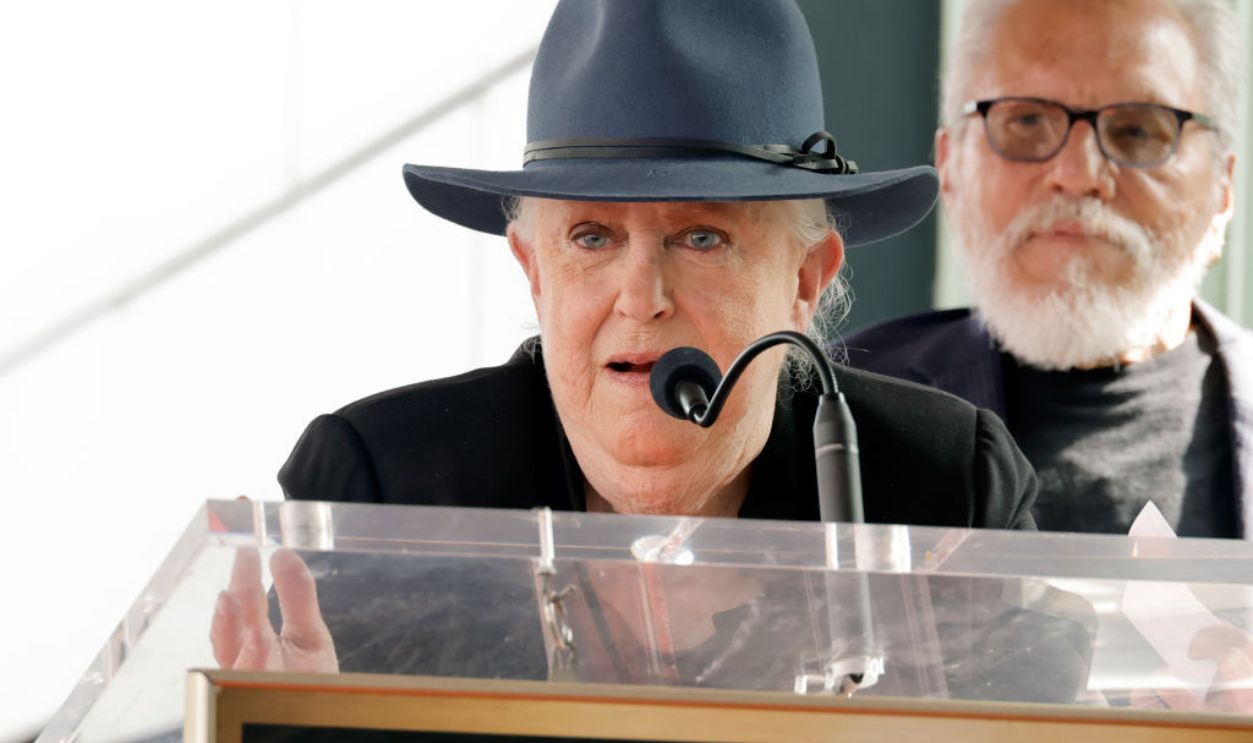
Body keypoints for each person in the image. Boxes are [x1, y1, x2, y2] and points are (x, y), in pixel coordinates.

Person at [213, 0, 1093, 702]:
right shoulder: (380, 490)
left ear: (805, 275)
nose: (642, 298)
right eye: (591, 238)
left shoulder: (946, 489)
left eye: (701, 238)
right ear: (532, 269)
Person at [846, 0, 1252, 539]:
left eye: (1137, 130)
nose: (1077, 175)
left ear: (1223, 188)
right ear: (950, 167)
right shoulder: (830, 411)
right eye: (1028, 120)